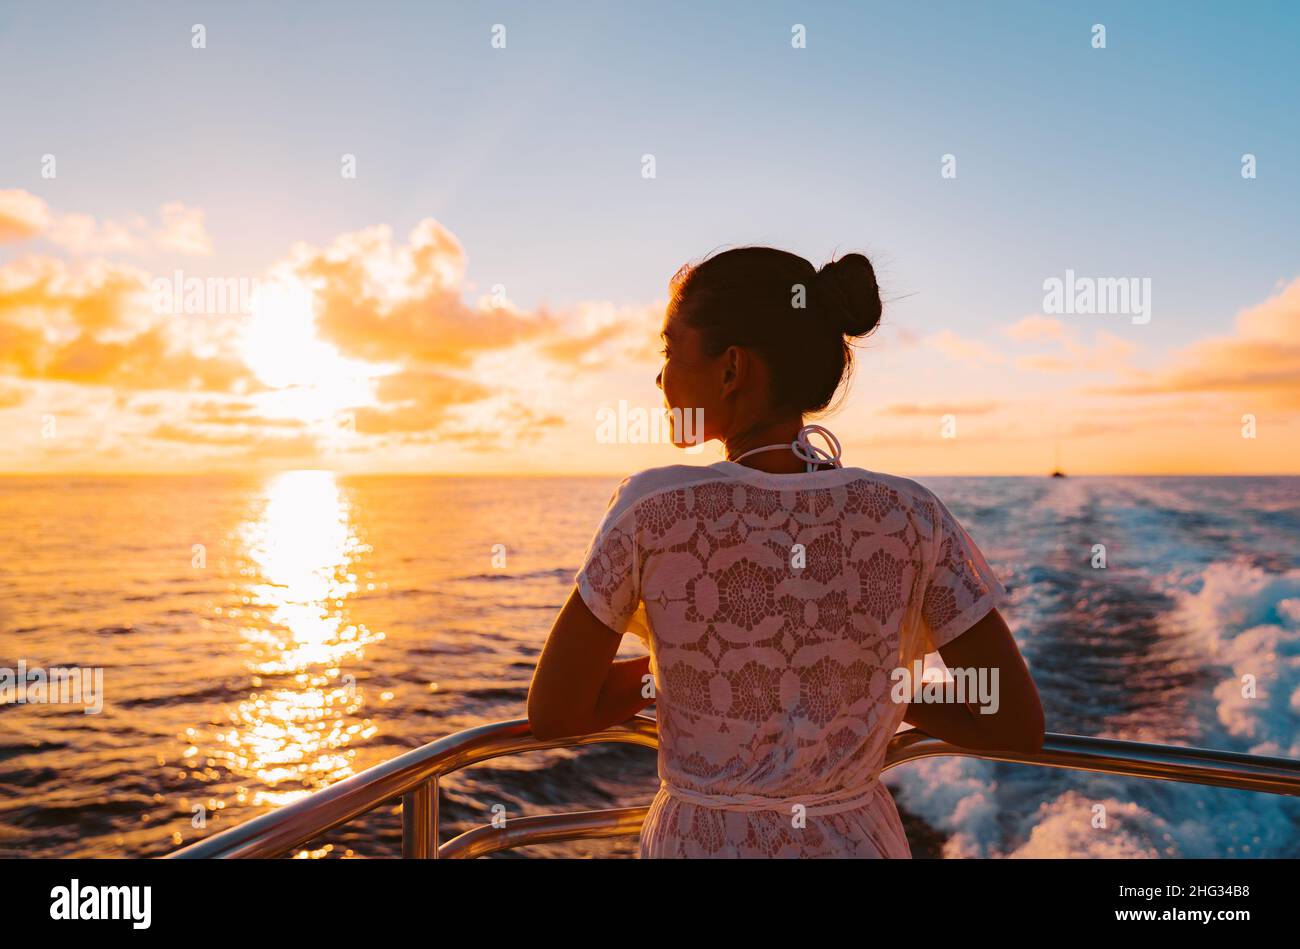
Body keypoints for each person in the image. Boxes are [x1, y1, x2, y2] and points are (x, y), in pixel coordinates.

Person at [528, 246, 1044, 857]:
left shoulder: (652, 508)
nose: (661, 377)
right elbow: (1012, 720)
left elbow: (556, 710)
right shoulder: (910, 515)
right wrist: (882, 688)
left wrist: (686, 673)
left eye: (670, 351)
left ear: (732, 369)